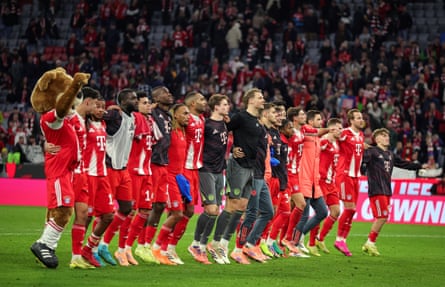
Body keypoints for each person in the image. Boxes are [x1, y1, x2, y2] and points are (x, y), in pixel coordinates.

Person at [30, 73, 89, 269]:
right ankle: (44, 244)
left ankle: (48, 246)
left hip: (68, 171)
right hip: (59, 171)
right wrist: (74, 85)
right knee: (64, 210)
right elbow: (61, 109)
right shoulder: (50, 116)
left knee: (59, 210)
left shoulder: (71, 119)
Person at [207, 88, 264, 265]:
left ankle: (224, 243)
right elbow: (221, 132)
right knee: (232, 205)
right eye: (260, 98)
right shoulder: (240, 117)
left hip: (251, 167)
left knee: (242, 206)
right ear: (251, 101)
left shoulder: (256, 121)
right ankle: (215, 243)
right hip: (238, 166)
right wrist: (232, 149)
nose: (263, 100)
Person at [361, 128, 427, 256]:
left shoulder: (390, 154)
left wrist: (419, 166)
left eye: (388, 136)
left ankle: (369, 243)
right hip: (376, 189)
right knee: (382, 216)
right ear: (377, 139)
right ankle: (370, 243)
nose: (387, 138)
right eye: (384, 136)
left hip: (387, 190)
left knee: (382, 217)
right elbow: (361, 161)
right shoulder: (372, 152)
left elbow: (404, 164)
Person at [97, 89, 138, 265]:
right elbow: (95, 115)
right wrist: (107, 109)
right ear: (122, 101)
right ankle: (93, 247)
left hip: (123, 170)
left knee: (127, 208)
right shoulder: (115, 115)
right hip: (110, 168)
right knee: (104, 212)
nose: (136, 100)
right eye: (133, 98)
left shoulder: (132, 118)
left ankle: (104, 245)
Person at [189, 94, 230, 265]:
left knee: (215, 211)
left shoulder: (226, 124)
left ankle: (202, 245)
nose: (227, 107)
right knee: (212, 209)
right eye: (224, 104)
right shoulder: (205, 124)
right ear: (216, 107)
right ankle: (196, 244)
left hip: (220, 170)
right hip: (206, 169)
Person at [234, 103, 275, 263]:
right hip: (252, 174)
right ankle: (238, 249)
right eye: (273, 112)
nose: (276, 115)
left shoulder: (264, 132)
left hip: (261, 175)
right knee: (251, 212)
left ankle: (250, 244)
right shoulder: (255, 130)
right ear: (265, 114)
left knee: (268, 212)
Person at [170, 91, 207, 263]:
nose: (204, 102)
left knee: (189, 212)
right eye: (201, 99)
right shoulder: (185, 121)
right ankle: (165, 247)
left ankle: (169, 247)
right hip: (183, 169)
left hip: (195, 170)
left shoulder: (202, 120)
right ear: (192, 104)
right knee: (183, 210)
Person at [151, 103, 190, 265]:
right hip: (170, 176)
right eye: (184, 113)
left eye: (188, 113)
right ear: (175, 115)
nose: (188, 116)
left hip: (180, 177)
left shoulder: (182, 131)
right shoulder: (171, 133)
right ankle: (156, 247)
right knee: (177, 214)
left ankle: (165, 249)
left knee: (184, 211)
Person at [121, 91, 157, 265]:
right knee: (130, 211)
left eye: (149, 102)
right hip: (133, 170)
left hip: (146, 172)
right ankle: (119, 248)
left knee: (145, 211)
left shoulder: (150, 121)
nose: (148, 105)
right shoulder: (134, 118)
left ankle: (128, 247)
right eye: (144, 102)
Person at [80, 95, 115, 268]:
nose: (101, 110)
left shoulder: (103, 124)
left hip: (103, 176)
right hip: (88, 175)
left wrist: (115, 108)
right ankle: (78, 251)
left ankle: (89, 248)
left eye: (103, 107)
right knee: (87, 216)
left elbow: (113, 114)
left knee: (109, 215)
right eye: (98, 106)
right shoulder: (83, 124)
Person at [68, 87, 101, 268]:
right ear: (87, 101)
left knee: (82, 214)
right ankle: (46, 246)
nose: (96, 108)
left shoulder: (84, 121)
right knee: (59, 215)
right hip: (69, 173)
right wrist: (48, 143)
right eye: (95, 104)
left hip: (83, 173)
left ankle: (76, 257)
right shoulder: (72, 119)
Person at [290, 110, 329, 256]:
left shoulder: (317, 139)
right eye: (319, 119)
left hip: (314, 182)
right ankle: (293, 246)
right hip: (303, 179)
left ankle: (298, 237)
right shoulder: (305, 133)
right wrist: (328, 130)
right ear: (311, 122)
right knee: (303, 215)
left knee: (322, 212)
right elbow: (315, 131)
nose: (321, 122)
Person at [144, 86, 174, 265]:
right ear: (155, 98)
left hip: (164, 164)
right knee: (147, 206)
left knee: (160, 205)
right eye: (164, 93)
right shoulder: (152, 113)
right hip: (152, 164)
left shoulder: (168, 116)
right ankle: (139, 243)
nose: (169, 94)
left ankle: (146, 243)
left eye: (168, 92)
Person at [307, 118, 342, 256]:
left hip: (331, 183)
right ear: (332, 128)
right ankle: (311, 244)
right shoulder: (323, 142)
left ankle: (320, 239)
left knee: (336, 211)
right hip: (320, 182)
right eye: (339, 128)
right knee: (320, 213)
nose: (341, 131)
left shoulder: (337, 144)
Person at [335, 108, 365, 256]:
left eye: (361, 117)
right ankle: (339, 239)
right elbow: (332, 137)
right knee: (349, 208)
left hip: (355, 176)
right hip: (345, 175)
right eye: (358, 118)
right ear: (351, 120)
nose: (361, 120)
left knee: (352, 210)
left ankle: (343, 240)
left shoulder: (361, 135)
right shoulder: (345, 133)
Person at [280, 108, 308, 256]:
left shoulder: (302, 131)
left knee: (291, 209)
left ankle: (281, 243)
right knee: (300, 205)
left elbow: (316, 131)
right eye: (302, 114)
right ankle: (287, 239)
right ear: (294, 118)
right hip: (288, 173)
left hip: (295, 174)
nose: (305, 116)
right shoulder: (289, 134)